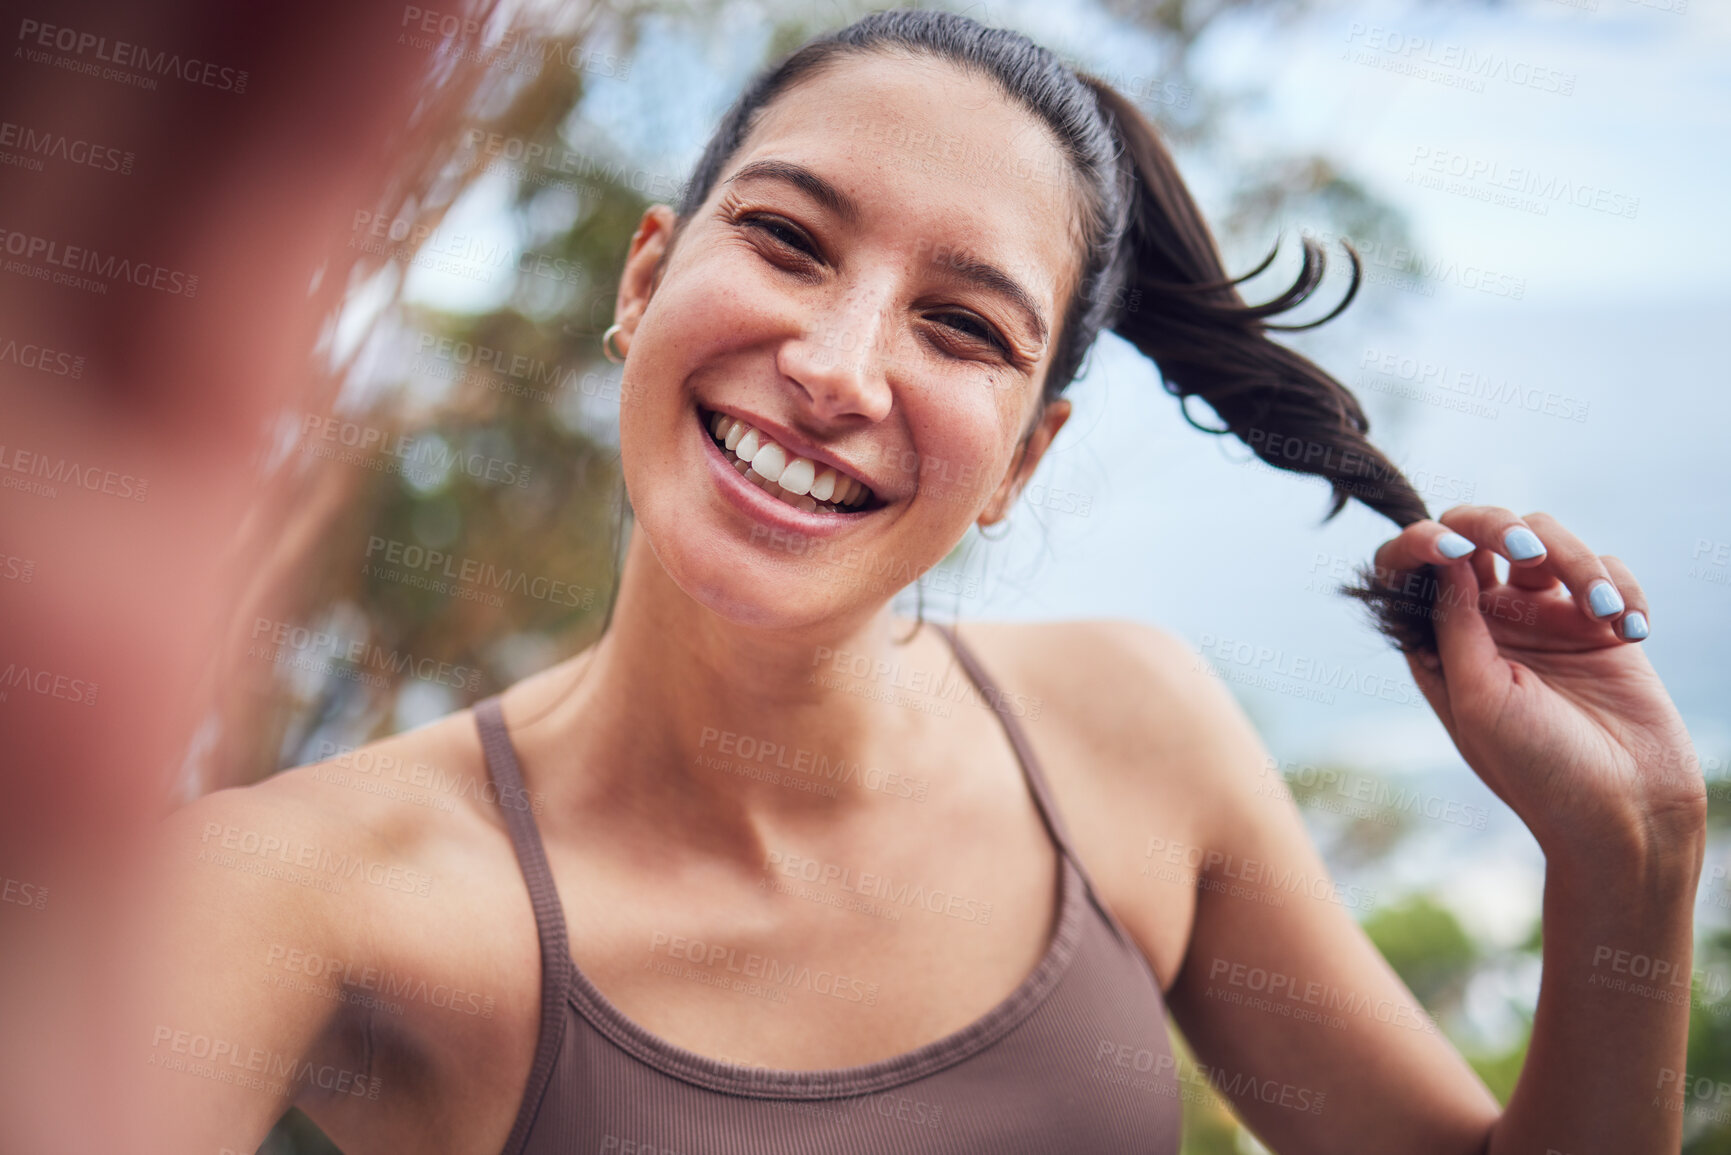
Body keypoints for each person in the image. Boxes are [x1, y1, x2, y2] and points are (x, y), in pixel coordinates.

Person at [143, 10, 1703, 1154]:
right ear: (643, 280)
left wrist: (1626, 857)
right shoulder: (297, 891)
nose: (836, 370)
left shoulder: (1132, 730)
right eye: (785, 240)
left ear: (1025, 458)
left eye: (963, 328)